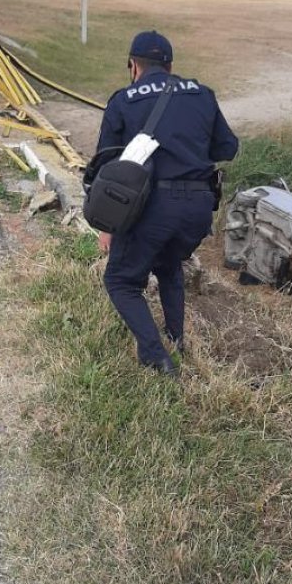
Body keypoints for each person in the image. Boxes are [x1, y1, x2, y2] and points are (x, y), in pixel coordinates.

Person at [95, 30, 239, 375]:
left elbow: (104, 166)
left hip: (152, 208)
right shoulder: (202, 94)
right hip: (198, 207)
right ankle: (176, 341)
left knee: (121, 281)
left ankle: (155, 356)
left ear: (133, 66)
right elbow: (227, 148)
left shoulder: (123, 101)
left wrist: (106, 225)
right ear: (170, 66)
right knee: (169, 265)